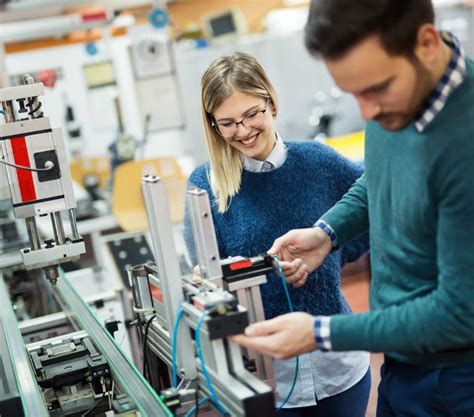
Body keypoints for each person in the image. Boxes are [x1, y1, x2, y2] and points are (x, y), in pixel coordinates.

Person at [232, 1, 474, 416]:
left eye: (375, 90)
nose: (367, 113)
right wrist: (327, 232)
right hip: (402, 362)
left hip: (454, 379)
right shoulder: (399, 96)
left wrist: (321, 333)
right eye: (353, 94)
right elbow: (378, 177)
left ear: (427, 43)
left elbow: (458, 314)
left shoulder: (464, 144)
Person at [183, 52, 371, 416]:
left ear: (270, 102)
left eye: (252, 113)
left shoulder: (319, 161)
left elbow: (368, 214)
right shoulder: (205, 187)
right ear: (213, 125)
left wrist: (327, 254)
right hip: (265, 377)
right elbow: (207, 276)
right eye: (228, 122)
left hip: (338, 365)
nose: (243, 130)